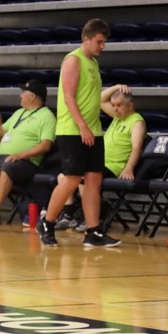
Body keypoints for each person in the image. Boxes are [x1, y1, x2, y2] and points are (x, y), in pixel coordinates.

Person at [36, 18, 121, 248]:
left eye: (104, 43)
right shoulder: (73, 60)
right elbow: (68, 97)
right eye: (99, 42)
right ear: (87, 39)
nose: (102, 47)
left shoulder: (93, 62)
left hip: (93, 130)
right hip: (73, 130)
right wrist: (82, 126)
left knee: (94, 180)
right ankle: (47, 222)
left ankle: (92, 232)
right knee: (72, 178)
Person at [55, 84, 146, 230]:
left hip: (114, 167)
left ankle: (90, 216)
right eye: (114, 105)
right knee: (64, 176)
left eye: (119, 105)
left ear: (130, 106)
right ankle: (68, 214)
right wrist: (116, 86)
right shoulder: (118, 118)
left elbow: (137, 148)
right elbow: (100, 100)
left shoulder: (137, 122)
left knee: (82, 176)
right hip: (100, 163)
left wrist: (129, 168)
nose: (115, 109)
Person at [0, 79, 56, 221]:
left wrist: (20, 155)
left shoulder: (47, 116)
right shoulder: (19, 113)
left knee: (7, 167)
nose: (20, 96)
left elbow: (45, 145)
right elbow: (0, 131)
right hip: (3, 157)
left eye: (23, 93)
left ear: (33, 96)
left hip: (27, 161)